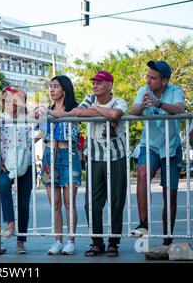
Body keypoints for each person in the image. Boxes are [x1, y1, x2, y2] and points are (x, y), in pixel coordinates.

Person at [61, 70, 128, 257]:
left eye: (99, 82)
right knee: (91, 203)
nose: (95, 85)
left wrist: (98, 111)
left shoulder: (119, 101)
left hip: (116, 157)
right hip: (94, 157)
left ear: (109, 85)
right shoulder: (90, 98)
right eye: (94, 82)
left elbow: (115, 113)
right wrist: (101, 112)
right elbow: (77, 113)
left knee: (116, 201)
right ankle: (97, 243)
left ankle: (114, 242)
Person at [130, 61, 185, 246]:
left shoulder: (175, 90)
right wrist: (143, 105)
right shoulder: (143, 89)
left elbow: (179, 109)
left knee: (170, 194)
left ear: (164, 81)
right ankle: (143, 224)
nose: (148, 80)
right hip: (150, 146)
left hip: (171, 147)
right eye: (148, 76)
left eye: (153, 77)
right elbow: (134, 111)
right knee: (142, 174)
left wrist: (159, 104)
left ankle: (167, 238)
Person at [35, 75, 82, 255]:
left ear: (65, 89)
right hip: (49, 155)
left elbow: (75, 120)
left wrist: (48, 113)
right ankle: (58, 240)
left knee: (69, 202)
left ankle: (71, 240)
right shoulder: (45, 110)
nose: (52, 89)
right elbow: (39, 132)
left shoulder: (75, 109)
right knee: (54, 203)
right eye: (50, 86)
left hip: (68, 154)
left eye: (55, 86)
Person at [0, 86, 36, 254]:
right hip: (6, 164)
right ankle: (9, 223)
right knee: (3, 185)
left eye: (11, 101)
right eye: (5, 101)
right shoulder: (0, 119)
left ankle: (21, 241)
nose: (7, 103)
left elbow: (39, 133)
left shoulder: (28, 119)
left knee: (23, 204)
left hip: (26, 165)